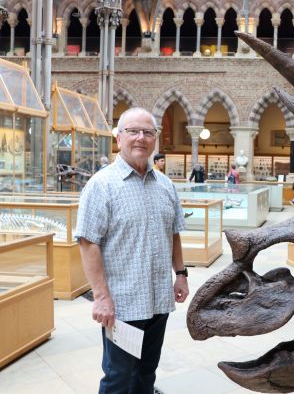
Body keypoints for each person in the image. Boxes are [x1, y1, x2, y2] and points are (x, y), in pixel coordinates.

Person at [74, 107, 189, 393]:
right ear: (119, 138)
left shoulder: (165, 185)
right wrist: (101, 297)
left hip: (158, 301)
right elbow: (88, 243)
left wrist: (181, 274)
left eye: (148, 132)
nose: (141, 138)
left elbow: (173, 233)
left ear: (155, 139)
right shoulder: (101, 185)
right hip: (123, 305)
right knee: (119, 379)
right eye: (133, 131)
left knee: (146, 376)